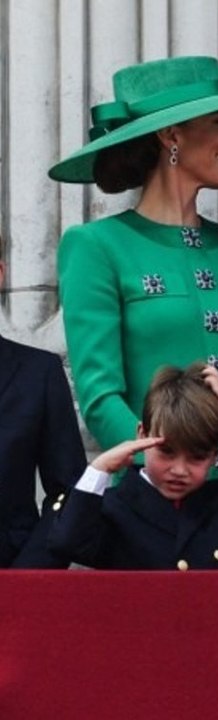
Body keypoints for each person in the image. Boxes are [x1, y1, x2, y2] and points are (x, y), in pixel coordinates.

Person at [49, 56, 218, 568]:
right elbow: (101, 394)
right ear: (171, 135)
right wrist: (169, 480)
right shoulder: (96, 246)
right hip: (151, 527)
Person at [47, 363, 218, 570]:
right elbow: (66, 542)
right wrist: (99, 469)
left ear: (215, 455)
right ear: (142, 434)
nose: (179, 470)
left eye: (197, 457)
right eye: (166, 452)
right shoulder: (115, 506)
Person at [0, 233, 88, 568]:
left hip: (15, 573)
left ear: (0, 274)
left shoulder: (39, 372)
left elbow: (68, 492)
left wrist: (29, 576)